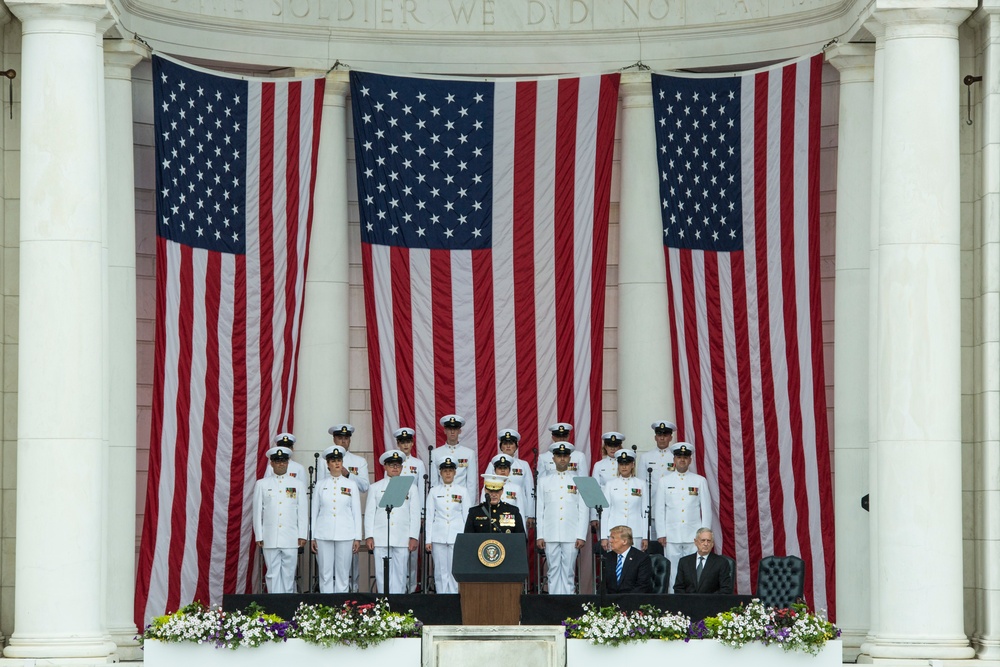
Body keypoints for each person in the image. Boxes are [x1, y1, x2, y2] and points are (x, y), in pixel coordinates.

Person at [654, 442, 713, 593]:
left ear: (690, 460)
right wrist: (661, 533)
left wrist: (704, 535)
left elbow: (706, 509)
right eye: (679, 457)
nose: (682, 460)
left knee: (694, 569)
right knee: (673, 571)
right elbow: (660, 509)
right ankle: (675, 602)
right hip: (671, 534)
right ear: (674, 459)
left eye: (685, 457)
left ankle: (693, 600)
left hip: (693, 534)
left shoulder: (699, 480)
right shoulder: (665, 481)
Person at [252, 445, 308, 594]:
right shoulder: (262, 484)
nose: (281, 464)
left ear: (288, 463)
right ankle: (274, 604)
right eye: (277, 461)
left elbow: (302, 511)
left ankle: (287, 604)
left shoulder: (297, 484)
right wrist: (259, 534)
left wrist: (302, 534)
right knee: (272, 573)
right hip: (270, 536)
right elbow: (257, 512)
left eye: (283, 461)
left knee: (289, 574)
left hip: (291, 536)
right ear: (271, 463)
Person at [535, 442, 588, 594]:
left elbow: (583, 510)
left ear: (570, 457)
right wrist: (540, 535)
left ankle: (568, 603)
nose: (562, 459)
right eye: (559, 456)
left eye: (565, 456)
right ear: (553, 458)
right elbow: (540, 510)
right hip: (550, 532)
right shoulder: (544, 481)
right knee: (553, 570)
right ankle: (554, 602)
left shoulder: (579, 480)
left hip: (571, 532)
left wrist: (581, 535)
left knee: (568, 570)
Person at [365, 450, 420, 594]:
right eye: (391, 465)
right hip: (381, 536)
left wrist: (413, 536)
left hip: (402, 537)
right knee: (382, 575)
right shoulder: (375, 487)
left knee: (400, 575)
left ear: (402, 467)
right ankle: (384, 605)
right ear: (385, 467)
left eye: (397, 465)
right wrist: (369, 536)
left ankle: (398, 607)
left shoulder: (411, 488)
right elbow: (370, 513)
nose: (395, 468)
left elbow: (414, 514)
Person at [310, 445, 362, 593]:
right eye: (333, 461)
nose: (337, 463)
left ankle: (341, 608)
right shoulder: (320, 485)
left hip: (345, 534)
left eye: (339, 460)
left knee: (343, 574)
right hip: (323, 533)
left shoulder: (351, 484)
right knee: (325, 574)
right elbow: (314, 512)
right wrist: (312, 536)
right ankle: (326, 608)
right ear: (327, 464)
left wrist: (357, 537)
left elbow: (356, 512)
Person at [426, 457, 472, 593]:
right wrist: (428, 540)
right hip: (438, 536)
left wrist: (466, 538)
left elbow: (467, 516)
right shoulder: (434, 491)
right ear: (440, 473)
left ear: (455, 473)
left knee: (454, 570)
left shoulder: (462, 491)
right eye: (445, 471)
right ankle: (441, 597)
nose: (447, 474)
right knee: (440, 571)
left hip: (456, 535)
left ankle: (453, 597)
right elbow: (429, 516)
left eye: (450, 471)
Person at [393, 427, 426, 592]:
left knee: (412, 554)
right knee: (397, 553)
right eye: (402, 442)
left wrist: (421, 514)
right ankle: (398, 588)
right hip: (397, 514)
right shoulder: (393, 462)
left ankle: (412, 588)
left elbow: (421, 490)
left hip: (412, 513)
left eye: (408, 442)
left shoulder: (418, 464)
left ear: (412, 443)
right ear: (398, 444)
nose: (405, 445)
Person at [600, 450, 648, 551]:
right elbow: (605, 512)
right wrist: (604, 536)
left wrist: (645, 536)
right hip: (614, 531)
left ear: (633, 465)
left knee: (635, 563)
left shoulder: (641, 484)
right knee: (616, 563)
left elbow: (645, 512)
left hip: (636, 531)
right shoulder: (610, 485)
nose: (624, 467)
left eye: (627, 464)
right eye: (621, 464)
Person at [430, 414, 478, 499]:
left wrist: (469, 507)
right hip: (442, 500)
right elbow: (434, 482)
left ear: (459, 431)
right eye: (449, 429)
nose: (452, 432)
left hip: (461, 499)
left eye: (455, 429)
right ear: (445, 431)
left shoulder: (469, 453)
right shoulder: (435, 453)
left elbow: (471, 483)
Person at [673, 528, 733, 594]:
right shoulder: (684, 562)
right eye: (703, 540)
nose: (706, 544)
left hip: (711, 602)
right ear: (695, 542)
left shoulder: (721, 563)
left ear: (712, 544)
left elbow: (725, 589)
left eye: (709, 541)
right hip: (688, 602)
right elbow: (678, 588)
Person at [497, 429, 535, 525]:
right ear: (501, 446)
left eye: (511, 443)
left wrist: (530, 514)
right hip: (497, 509)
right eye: (505, 443)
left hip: (520, 508)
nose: (508, 446)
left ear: (516, 446)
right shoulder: (492, 465)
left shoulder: (523, 465)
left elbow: (530, 490)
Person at [602, 525, 652, 594]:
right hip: (610, 602)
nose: (610, 541)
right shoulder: (608, 557)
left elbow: (642, 586)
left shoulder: (642, 558)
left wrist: (624, 601)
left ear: (624, 541)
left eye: (613, 538)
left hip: (632, 601)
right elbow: (603, 585)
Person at [480, 454, 532, 519]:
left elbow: (520, 511)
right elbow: (483, 509)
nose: (503, 471)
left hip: (511, 524)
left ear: (509, 470)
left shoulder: (516, 488)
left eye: (505, 468)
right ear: (494, 470)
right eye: (499, 468)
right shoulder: (487, 486)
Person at [323, 424, 370, 492]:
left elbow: (365, 487)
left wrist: (348, 475)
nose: (343, 441)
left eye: (346, 438)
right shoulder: (323, 461)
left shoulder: (360, 461)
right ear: (334, 440)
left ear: (350, 440)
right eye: (340, 438)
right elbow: (320, 486)